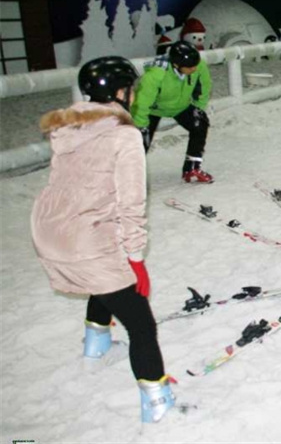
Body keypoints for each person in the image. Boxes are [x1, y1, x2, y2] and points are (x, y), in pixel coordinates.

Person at [30, 56, 175, 423]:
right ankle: (157, 400)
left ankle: (96, 345)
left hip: (49, 230)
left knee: (102, 277)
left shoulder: (67, 128)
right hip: (84, 239)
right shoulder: (124, 135)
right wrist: (136, 257)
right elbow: (131, 203)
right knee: (141, 323)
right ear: (120, 92)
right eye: (131, 89)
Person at [131, 41, 214, 183]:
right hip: (153, 110)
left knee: (200, 123)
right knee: (140, 141)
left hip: (180, 106)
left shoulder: (198, 66)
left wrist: (199, 108)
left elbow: (204, 86)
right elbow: (142, 102)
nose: (194, 69)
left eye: (195, 65)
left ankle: (192, 168)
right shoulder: (155, 75)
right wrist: (141, 125)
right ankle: (130, 177)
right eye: (189, 67)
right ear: (176, 65)